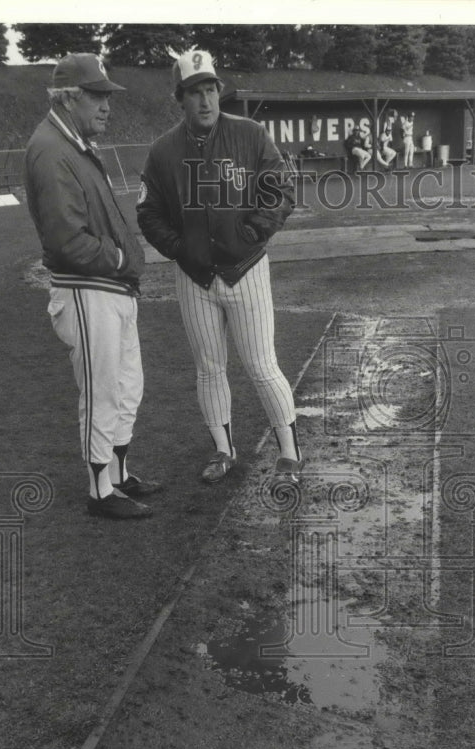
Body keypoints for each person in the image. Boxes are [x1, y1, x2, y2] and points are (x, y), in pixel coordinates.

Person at [137, 49, 303, 485]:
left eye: (210, 89)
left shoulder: (249, 134)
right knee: (209, 367)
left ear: (218, 91)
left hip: (246, 270)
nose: (205, 100)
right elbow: (148, 212)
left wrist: (253, 233)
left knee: (261, 364)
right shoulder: (162, 152)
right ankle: (223, 449)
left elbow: (281, 190)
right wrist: (178, 247)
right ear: (181, 98)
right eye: (195, 92)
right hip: (194, 277)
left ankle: (289, 452)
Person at [24, 52, 161, 520]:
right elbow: (66, 242)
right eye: (98, 96)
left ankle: (119, 474)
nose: (107, 106)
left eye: (107, 96)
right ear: (69, 97)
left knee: (127, 385)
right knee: (102, 391)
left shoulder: (72, 143)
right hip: (87, 288)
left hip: (109, 289)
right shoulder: (51, 149)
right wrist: (123, 258)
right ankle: (99, 491)